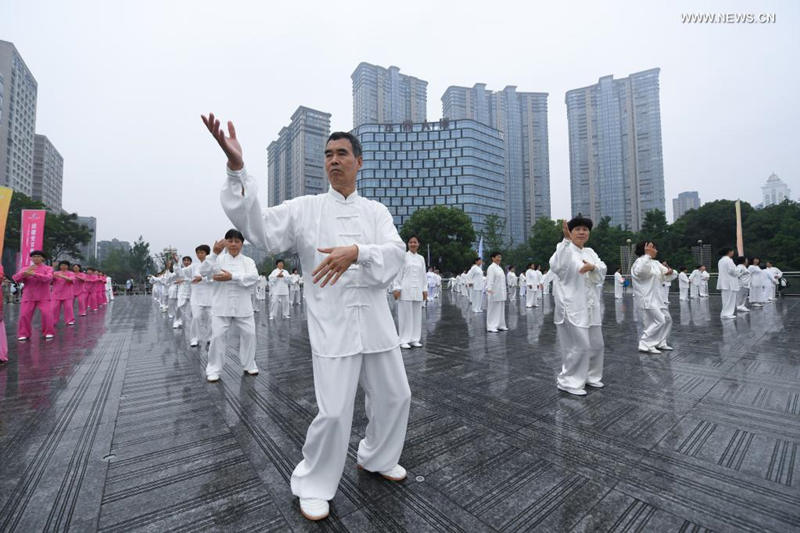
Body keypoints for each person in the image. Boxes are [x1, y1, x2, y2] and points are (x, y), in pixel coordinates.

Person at [204, 115, 410, 521]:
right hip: (332, 325)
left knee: (395, 396)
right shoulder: (305, 210)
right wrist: (237, 169)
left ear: (359, 162)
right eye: (328, 155)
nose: (334, 161)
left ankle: (376, 456)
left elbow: (396, 253)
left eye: (342, 154)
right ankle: (314, 483)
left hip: (376, 322)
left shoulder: (376, 211)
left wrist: (358, 252)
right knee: (333, 412)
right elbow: (258, 227)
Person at [549, 215, 606, 396]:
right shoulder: (564, 248)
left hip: (590, 304)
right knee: (578, 345)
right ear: (571, 232)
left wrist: (593, 268)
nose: (582, 232)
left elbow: (602, 267)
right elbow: (557, 265)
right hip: (572, 305)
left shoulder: (590, 252)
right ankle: (568, 381)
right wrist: (565, 241)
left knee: (597, 344)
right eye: (577, 229)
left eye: (585, 229)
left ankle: (590, 376)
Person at [200, 229, 259, 382]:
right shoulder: (217, 260)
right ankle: (213, 369)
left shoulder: (248, 261)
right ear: (225, 242)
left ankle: (249, 364)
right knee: (217, 337)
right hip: (221, 307)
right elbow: (203, 272)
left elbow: (253, 277)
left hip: (243, 307)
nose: (233, 244)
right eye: (230, 240)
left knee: (250, 335)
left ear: (242, 244)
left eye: (237, 241)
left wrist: (232, 277)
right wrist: (213, 254)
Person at [631, 241, 674, 353]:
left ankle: (660, 342)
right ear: (645, 249)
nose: (656, 250)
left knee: (667, 319)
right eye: (653, 248)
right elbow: (641, 271)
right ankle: (645, 343)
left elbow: (667, 275)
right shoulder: (639, 262)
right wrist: (647, 255)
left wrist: (670, 272)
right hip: (647, 297)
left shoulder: (655, 263)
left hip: (658, 297)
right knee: (659, 320)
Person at [13, 250, 55, 341]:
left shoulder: (48, 268)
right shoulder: (25, 268)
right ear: (31, 258)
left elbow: (48, 279)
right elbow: (16, 278)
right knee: (24, 315)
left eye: (38, 256)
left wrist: (34, 274)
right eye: (34, 256)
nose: (36, 258)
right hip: (29, 295)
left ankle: (48, 332)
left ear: (42, 258)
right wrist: (25, 273)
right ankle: (24, 333)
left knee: (47, 314)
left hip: (44, 296)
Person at [393, 235, 426, 348]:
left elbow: (423, 275)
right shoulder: (403, 257)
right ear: (407, 244)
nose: (413, 244)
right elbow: (398, 273)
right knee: (405, 316)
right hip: (405, 289)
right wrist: (397, 288)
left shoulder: (421, 258)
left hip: (418, 289)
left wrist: (424, 289)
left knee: (417, 315)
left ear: (418, 244)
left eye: (415, 242)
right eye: (411, 242)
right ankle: (403, 340)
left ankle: (414, 339)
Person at [189, 245, 214, 347]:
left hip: (210, 297)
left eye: (202, 252)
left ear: (207, 254)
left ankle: (210, 337)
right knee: (196, 317)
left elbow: (214, 278)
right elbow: (183, 273)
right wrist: (176, 263)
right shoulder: (193, 266)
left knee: (212, 318)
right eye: (198, 253)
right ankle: (195, 338)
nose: (199, 255)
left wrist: (202, 279)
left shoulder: (212, 265)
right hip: (196, 297)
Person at [485, 251, 508, 332]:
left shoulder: (499, 268)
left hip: (501, 291)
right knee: (493, 309)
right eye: (498, 257)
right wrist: (489, 290)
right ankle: (491, 326)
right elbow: (490, 280)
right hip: (493, 292)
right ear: (493, 258)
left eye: (500, 257)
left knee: (501, 309)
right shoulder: (491, 268)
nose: (499, 259)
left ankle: (500, 325)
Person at [171, 255, 194, 328]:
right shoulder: (182, 270)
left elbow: (195, 278)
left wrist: (184, 280)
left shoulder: (194, 270)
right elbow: (177, 270)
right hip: (182, 291)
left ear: (191, 262)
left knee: (191, 309)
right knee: (179, 307)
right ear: (183, 262)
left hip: (192, 291)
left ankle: (190, 323)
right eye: (185, 260)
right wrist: (176, 263)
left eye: (188, 260)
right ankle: (177, 321)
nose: (186, 262)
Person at [52, 260, 76, 326]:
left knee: (68, 307)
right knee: (54, 308)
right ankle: (53, 321)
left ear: (68, 266)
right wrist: (53, 273)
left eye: (65, 265)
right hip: (57, 293)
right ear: (59, 266)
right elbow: (50, 280)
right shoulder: (56, 273)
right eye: (62, 265)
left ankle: (70, 320)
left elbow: (71, 280)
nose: (63, 266)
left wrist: (62, 276)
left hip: (67, 293)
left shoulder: (71, 273)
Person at [717, 247, 739, 319]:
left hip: (725, 282)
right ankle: (727, 313)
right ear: (729, 252)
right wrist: (737, 272)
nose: (733, 253)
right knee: (730, 299)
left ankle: (725, 313)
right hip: (730, 282)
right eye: (732, 251)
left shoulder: (721, 260)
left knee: (726, 299)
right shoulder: (729, 260)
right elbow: (732, 271)